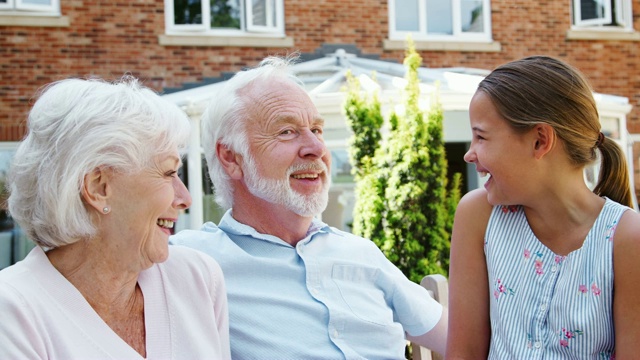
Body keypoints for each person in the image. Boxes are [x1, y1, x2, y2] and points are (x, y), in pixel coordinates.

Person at [170, 56, 448, 359]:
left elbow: (467, 343)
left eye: (316, 130)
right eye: (286, 131)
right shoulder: (190, 262)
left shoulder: (361, 253)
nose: (316, 148)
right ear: (231, 158)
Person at [0, 76, 231, 359]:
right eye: (169, 173)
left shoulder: (198, 278)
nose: (185, 198)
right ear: (99, 187)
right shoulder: (13, 311)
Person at [446, 56, 640, 359]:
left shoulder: (627, 239)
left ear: (540, 141)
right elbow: (464, 353)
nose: (470, 154)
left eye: (481, 137)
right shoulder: (478, 216)